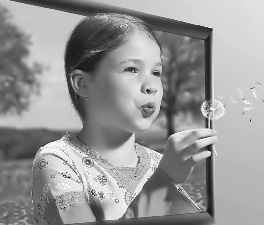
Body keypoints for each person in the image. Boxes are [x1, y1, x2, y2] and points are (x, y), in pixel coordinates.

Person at [31, 12, 218, 225]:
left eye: (156, 72)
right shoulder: (58, 161)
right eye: (131, 69)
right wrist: (164, 182)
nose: (152, 86)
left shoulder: (158, 162)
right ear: (82, 84)